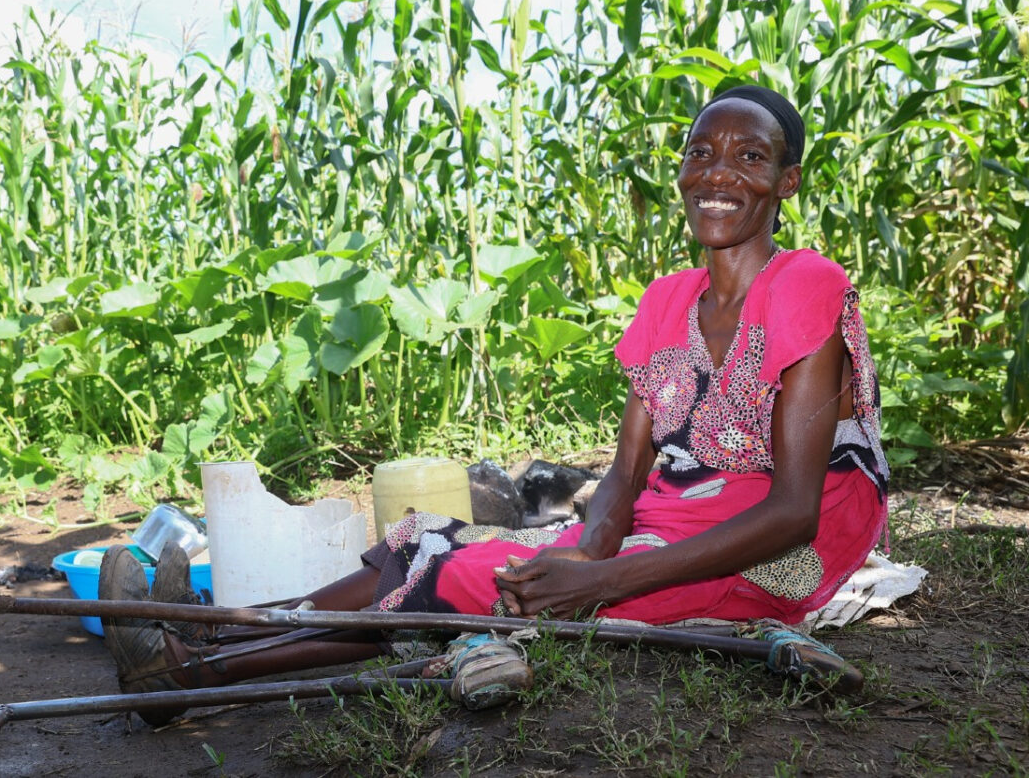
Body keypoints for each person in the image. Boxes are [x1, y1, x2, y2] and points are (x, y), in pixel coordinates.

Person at [98, 84, 889, 724]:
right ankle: (209, 626)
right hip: (674, 516)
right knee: (424, 543)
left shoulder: (804, 285)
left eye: (750, 158)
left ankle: (188, 674)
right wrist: (590, 550)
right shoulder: (667, 300)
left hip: (784, 543)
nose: (719, 175)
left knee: (484, 577)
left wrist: (600, 584)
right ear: (680, 169)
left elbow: (795, 511)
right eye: (701, 153)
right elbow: (622, 475)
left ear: (785, 183)